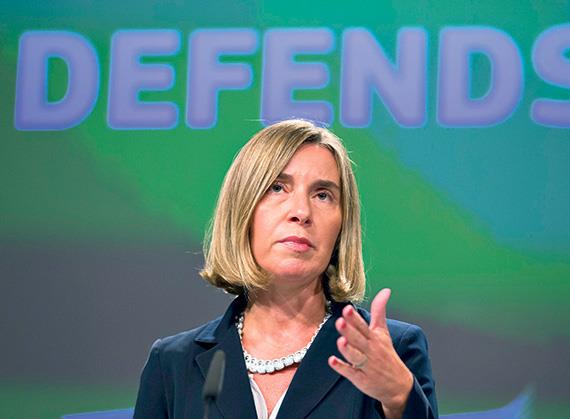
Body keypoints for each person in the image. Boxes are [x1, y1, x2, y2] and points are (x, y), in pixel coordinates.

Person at [134, 119, 437, 419]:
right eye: (277, 188)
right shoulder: (174, 364)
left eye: (323, 195)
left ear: (342, 226)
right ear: (242, 209)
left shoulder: (392, 352)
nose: (301, 212)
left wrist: (400, 398)